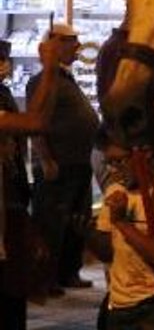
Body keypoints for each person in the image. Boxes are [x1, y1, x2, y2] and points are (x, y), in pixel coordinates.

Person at [86, 134, 154, 330]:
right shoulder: (115, 191)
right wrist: (88, 234)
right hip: (119, 303)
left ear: (145, 153)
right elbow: (107, 254)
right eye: (108, 163)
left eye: (118, 161)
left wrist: (122, 222)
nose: (113, 170)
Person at [27, 23, 100, 296]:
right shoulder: (42, 82)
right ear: (56, 43)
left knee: (75, 222)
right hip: (59, 163)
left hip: (78, 162)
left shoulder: (65, 78)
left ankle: (69, 272)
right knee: (51, 223)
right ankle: (46, 279)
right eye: (71, 41)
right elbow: (35, 124)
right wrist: (46, 159)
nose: (78, 47)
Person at [1, 36, 65, 327]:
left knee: (13, 298)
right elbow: (35, 122)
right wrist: (50, 69)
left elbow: (36, 120)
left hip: (9, 206)